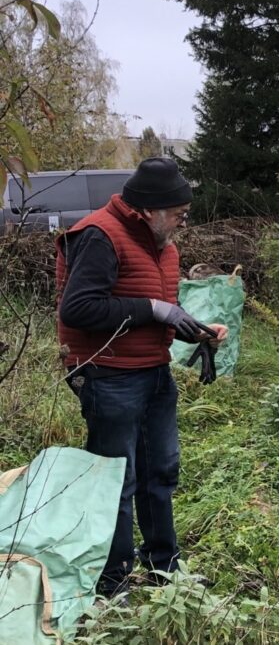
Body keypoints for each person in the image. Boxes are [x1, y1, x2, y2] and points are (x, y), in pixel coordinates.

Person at [55, 157, 228, 598]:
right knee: (118, 481)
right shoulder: (100, 235)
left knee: (161, 472)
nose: (181, 224)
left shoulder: (163, 246)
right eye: (178, 215)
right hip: (109, 377)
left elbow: (153, 307)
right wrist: (153, 309)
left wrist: (195, 328)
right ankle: (111, 583)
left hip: (153, 373)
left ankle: (163, 568)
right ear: (149, 210)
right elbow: (78, 309)